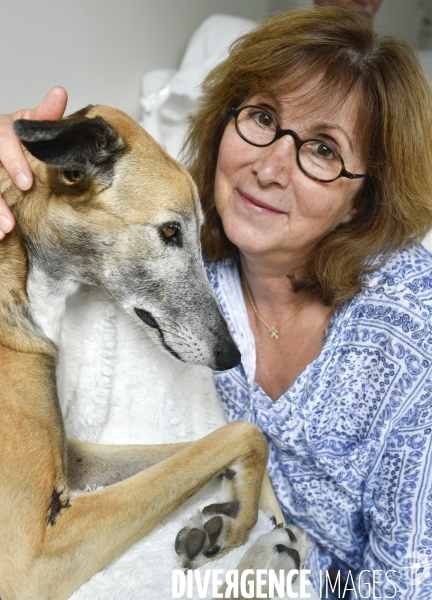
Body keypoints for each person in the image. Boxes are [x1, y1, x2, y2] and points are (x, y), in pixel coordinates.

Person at [0, 6, 431, 599]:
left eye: (324, 151)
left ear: (362, 200)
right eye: (261, 117)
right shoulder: (172, 240)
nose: (271, 166)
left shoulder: (410, 338)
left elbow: (412, 577)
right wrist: (13, 163)